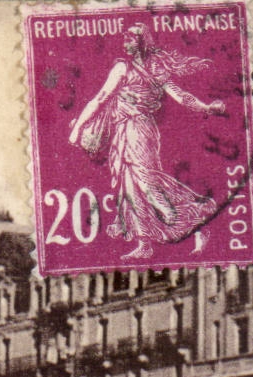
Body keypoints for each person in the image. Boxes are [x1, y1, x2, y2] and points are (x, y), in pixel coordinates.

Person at [67, 24, 226, 260]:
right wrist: (79, 127)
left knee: (146, 183)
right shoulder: (121, 67)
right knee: (128, 185)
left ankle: (197, 217)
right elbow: (100, 98)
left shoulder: (155, 69)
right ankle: (145, 242)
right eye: (125, 38)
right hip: (122, 131)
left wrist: (206, 107)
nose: (125, 42)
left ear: (141, 42)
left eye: (130, 38)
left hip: (141, 130)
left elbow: (180, 95)